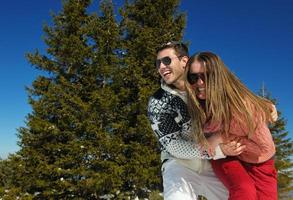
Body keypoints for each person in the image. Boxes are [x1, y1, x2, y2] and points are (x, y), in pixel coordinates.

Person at [147, 42, 245, 200]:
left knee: (238, 195)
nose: (161, 67)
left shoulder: (202, 85)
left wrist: (265, 105)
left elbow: (234, 93)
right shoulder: (159, 102)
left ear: (184, 61)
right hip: (179, 164)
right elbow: (173, 146)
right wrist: (217, 150)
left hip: (212, 165)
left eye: (166, 60)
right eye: (158, 63)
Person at [184, 51, 278, 200]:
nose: (199, 83)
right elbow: (201, 145)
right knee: (244, 191)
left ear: (218, 77)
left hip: (261, 160)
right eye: (193, 77)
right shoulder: (195, 106)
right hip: (225, 155)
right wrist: (219, 145)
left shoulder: (243, 107)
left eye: (206, 76)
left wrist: (222, 136)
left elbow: (263, 145)